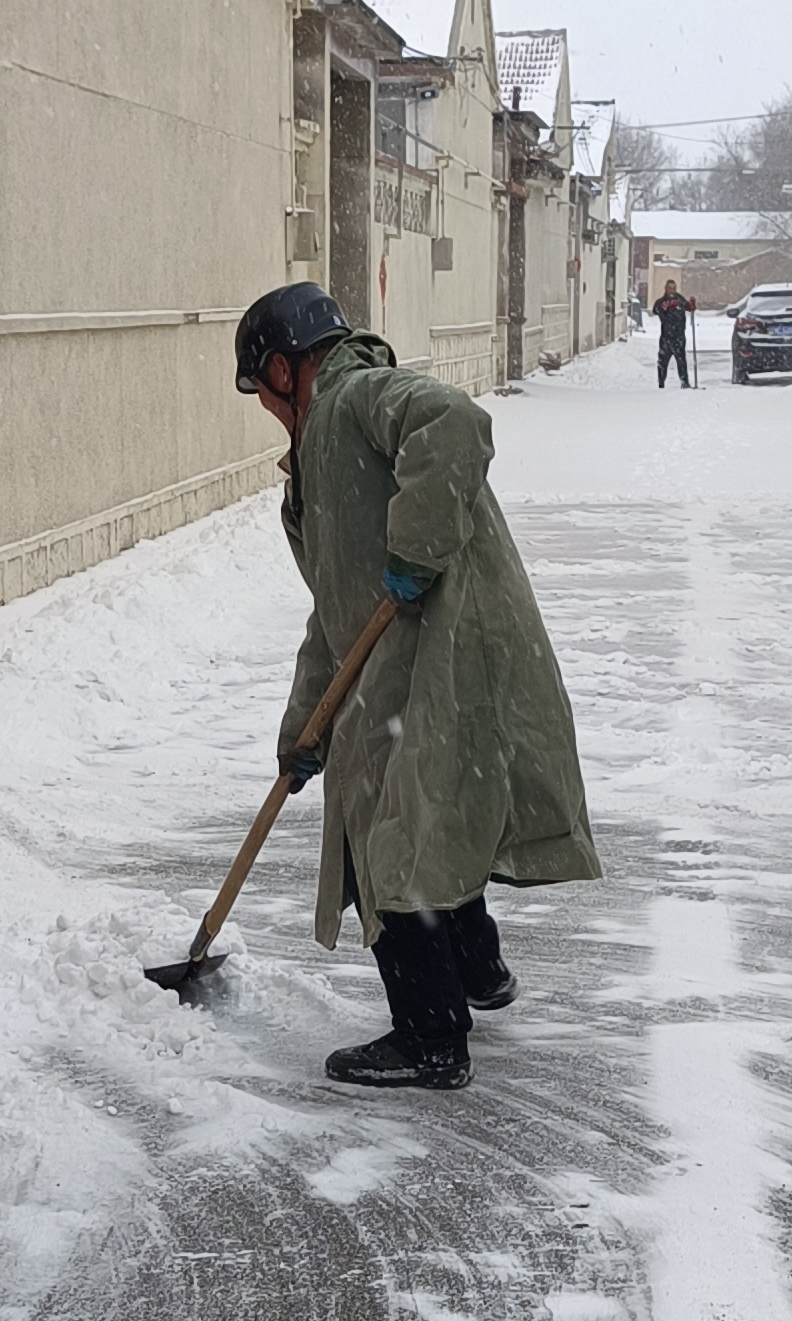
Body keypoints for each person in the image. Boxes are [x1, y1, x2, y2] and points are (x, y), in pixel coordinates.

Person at [235, 283, 600, 1089]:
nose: (264, 409)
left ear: (287, 370)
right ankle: (477, 971)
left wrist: (415, 551)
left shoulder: (358, 394)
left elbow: (454, 421)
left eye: (260, 390)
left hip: (441, 655)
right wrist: (304, 735)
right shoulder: (318, 459)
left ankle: (431, 1037)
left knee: (390, 842)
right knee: (423, 819)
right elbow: (335, 615)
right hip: (402, 665)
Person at [653, 276, 695, 389]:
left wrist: (691, 305)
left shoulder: (680, 299)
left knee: (681, 360)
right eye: (669, 288)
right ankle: (661, 383)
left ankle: (684, 382)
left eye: (674, 288)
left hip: (679, 337)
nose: (672, 290)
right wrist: (665, 308)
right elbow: (655, 310)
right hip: (666, 337)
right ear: (665, 289)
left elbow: (689, 307)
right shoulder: (661, 302)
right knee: (663, 361)